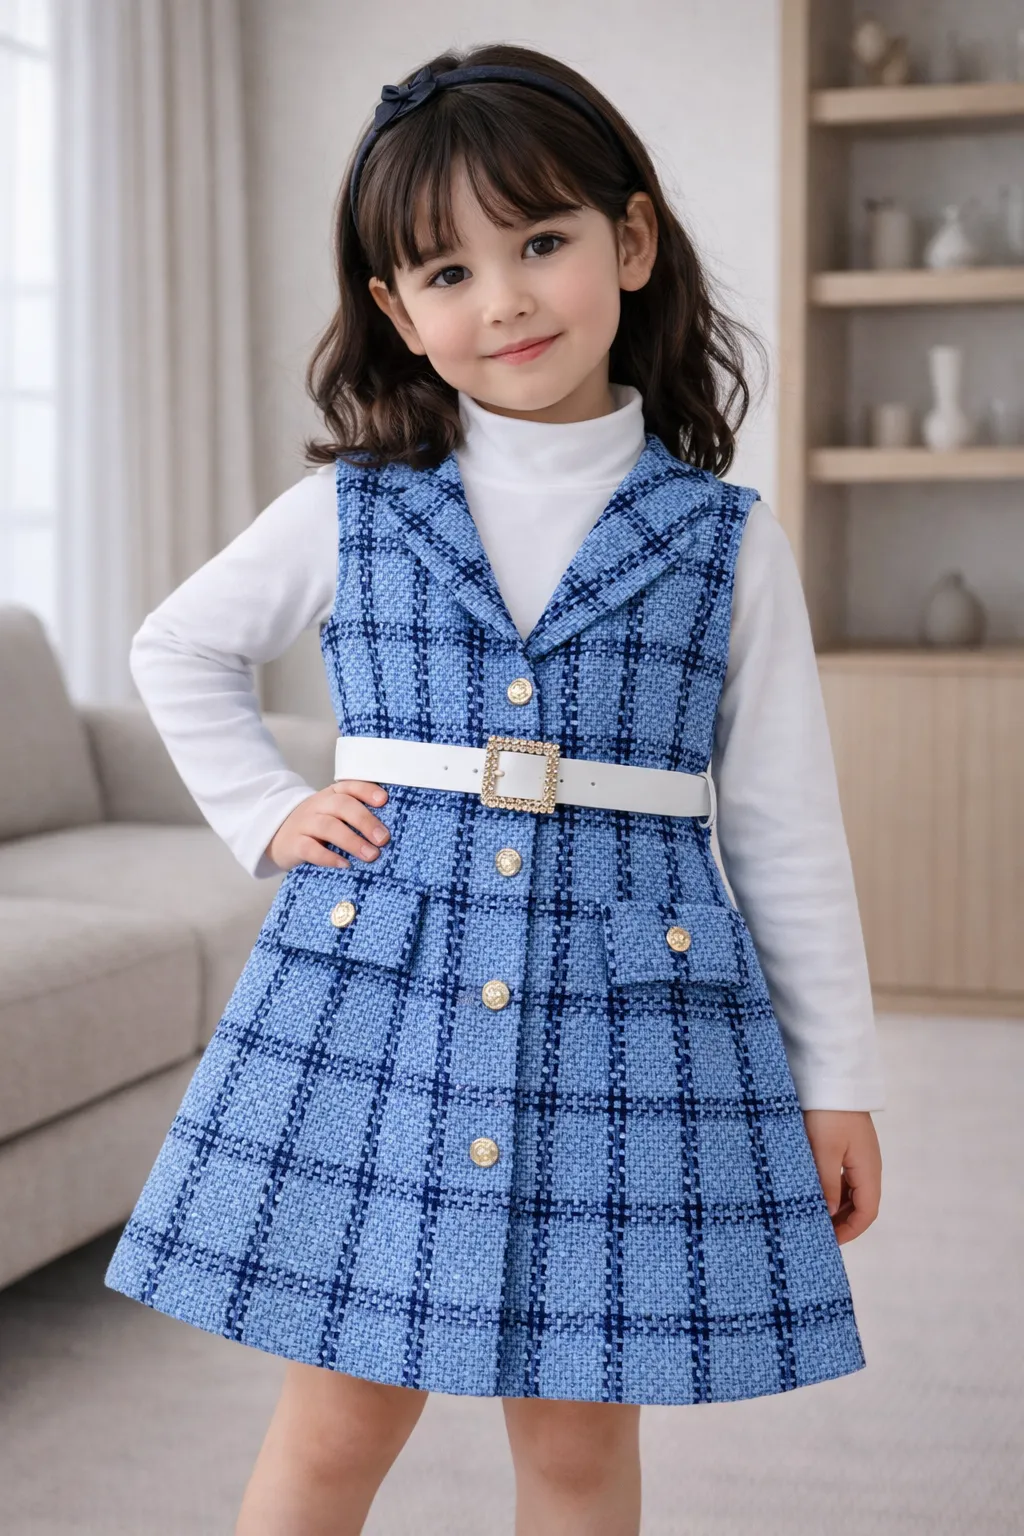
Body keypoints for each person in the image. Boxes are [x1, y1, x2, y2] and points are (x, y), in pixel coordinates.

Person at [104, 42, 885, 1536]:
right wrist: (268, 811)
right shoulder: (350, 509)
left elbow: (788, 824)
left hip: (628, 1025)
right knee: (337, 1421)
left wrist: (836, 1075)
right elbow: (178, 645)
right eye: (449, 272)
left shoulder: (728, 542)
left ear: (631, 243)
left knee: (580, 1446)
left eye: (540, 243)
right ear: (400, 313)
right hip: (384, 1005)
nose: (506, 298)